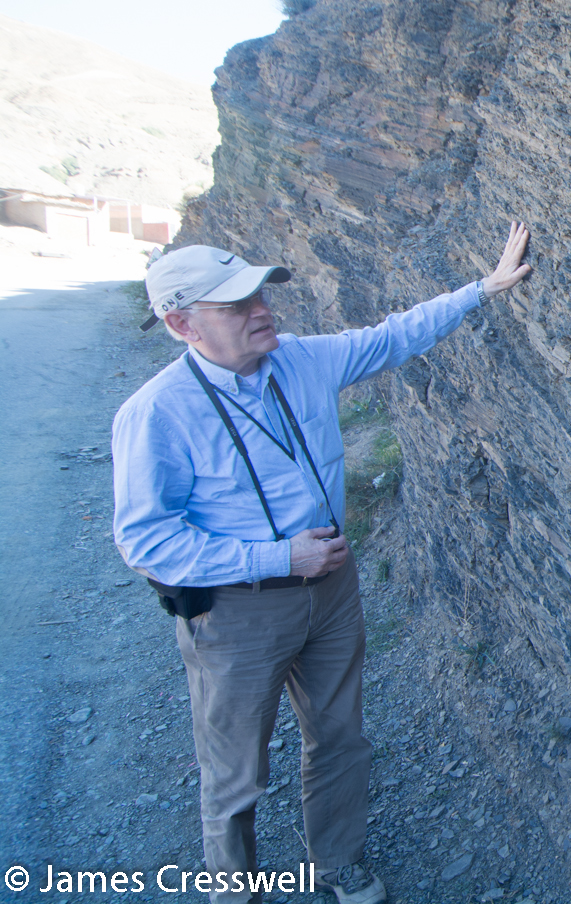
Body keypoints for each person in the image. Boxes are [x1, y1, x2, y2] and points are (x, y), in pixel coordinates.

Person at [112, 222, 533, 904]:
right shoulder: (157, 412)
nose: (261, 309)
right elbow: (146, 542)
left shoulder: (301, 360)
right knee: (234, 771)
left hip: (332, 588)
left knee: (341, 739)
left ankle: (337, 862)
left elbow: (393, 336)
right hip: (239, 612)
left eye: (260, 293)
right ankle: (233, 890)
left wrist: (482, 289)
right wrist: (280, 555)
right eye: (236, 303)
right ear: (181, 323)